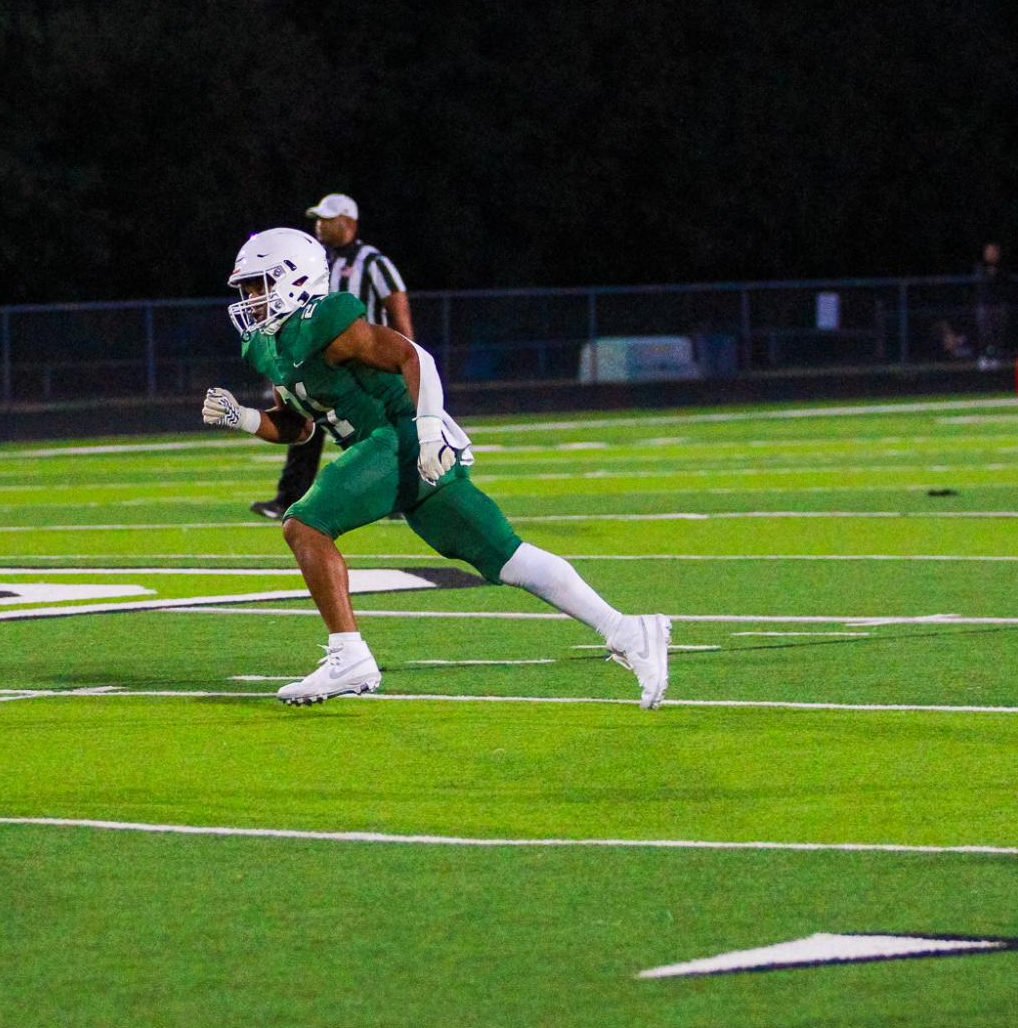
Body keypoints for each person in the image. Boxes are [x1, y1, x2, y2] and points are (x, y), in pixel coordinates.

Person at [205, 227, 670, 708]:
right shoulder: (265, 344)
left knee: (305, 524)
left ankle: (349, 656)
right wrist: (244, 418)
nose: (250, 298)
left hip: (401, 437)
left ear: (295, 278)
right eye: (247, 288)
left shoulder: (327, 320)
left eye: (259, 284)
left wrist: (428, 429)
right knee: (506, 558)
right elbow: (300, 427)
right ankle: (630, 630)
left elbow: (415, 357)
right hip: (389, 449)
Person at [251, 194, 414, 521]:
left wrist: (404, 354)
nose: (320, 224)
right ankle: (289, 497)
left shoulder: (372, 261)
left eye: (327, 218)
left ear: (349, 222)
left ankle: (402, 494)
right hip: (317, 358)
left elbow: (398, 307)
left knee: (376, 429)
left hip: (364, 362)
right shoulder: (315, 259)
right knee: (304, 421)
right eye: (318, 219)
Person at [974, 242, 1009, 368]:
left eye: (994, 252)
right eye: (988, 252)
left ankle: (995, 358)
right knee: (985, 332)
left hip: (999, 304)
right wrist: (989, 276)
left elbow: (1005, 283)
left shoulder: (1003, 268)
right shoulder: (980, 267)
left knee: (998, 332)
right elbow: (981, 284)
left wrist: (996, 275)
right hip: (985, 305)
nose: (991, 254)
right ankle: (984, 357)